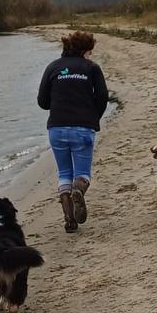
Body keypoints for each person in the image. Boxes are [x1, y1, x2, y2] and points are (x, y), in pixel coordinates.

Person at [37, 31, 109, 233]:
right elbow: (103, 96)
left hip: (57, 128)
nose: (91, 56)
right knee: (82, 174)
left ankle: (69, 220)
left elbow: (42, 102)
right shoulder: (92, 68)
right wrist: (94, 116)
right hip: (83, 128)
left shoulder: (52, 67)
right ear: (85, 51)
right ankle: (79, 190)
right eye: (90, 52)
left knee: (64, 174)